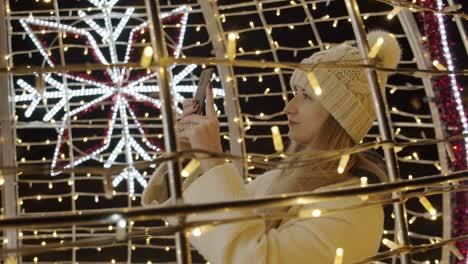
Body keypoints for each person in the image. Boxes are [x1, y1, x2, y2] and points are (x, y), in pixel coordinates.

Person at [142, 30, 401, 263]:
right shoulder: (276, 181)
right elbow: (196, 223)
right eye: (295, 93)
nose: (289, 108)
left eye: (307, 97)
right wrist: (187, 156)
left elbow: (251, 257)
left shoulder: (356, 209)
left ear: (340, 115)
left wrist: (212, 160)